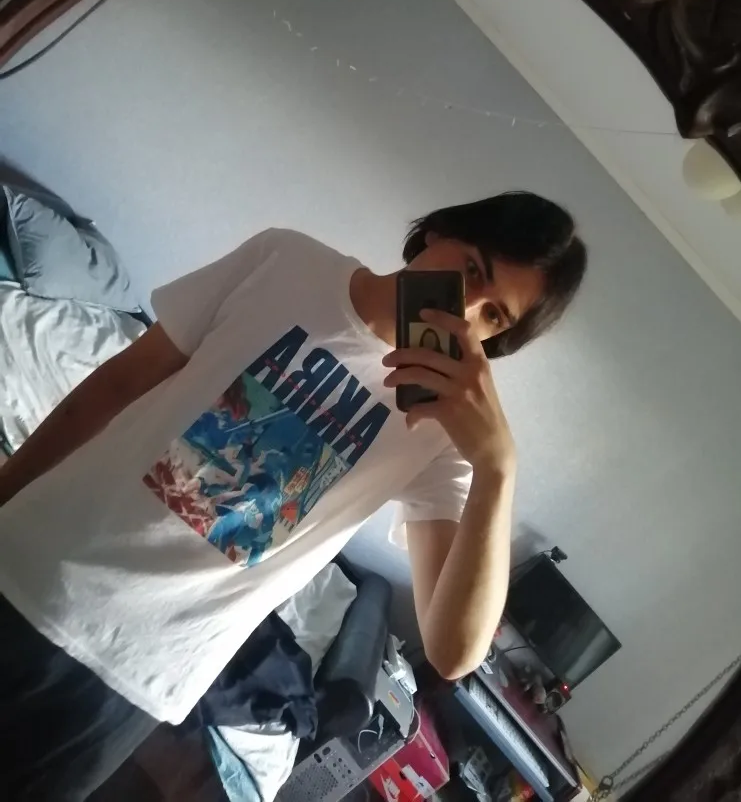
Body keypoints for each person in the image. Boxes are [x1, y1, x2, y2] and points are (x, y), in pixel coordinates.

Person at [0, 190, 587, 800]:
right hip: (29, 560)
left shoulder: (443, 432)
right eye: (470, 269)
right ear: (436, 232)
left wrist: (497, 467)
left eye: (494, 316)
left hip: (135, 674)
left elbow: (453, 652)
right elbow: (117, 384)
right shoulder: (287, 261)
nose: (463, 310)